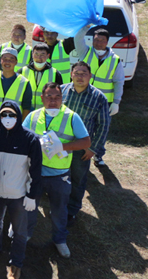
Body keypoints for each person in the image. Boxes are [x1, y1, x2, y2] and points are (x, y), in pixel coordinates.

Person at [23, 82, 92, 259]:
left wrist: (62, 146)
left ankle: (60, 239)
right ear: (42, 98)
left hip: (59, 175)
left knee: (59, 210)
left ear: (63, 98)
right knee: (30, 206)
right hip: (35, 174)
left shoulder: (71, 117)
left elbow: (85, 142)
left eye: (57, 97)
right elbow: (21, 136)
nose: (53, 101)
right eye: (49, 97)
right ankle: (26, 234)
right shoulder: (33, 116)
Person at [0, 101, 42, 279]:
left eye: (12, 115)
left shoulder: (30, 139)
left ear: (19, 116)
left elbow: (36, 170)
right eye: (4, 115)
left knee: (19, 230)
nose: (7, 119)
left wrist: (32, 195)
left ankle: (16, 263)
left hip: (19, 194)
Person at [61, 61, 110, 226]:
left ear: (90, 76)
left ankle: (71, 210)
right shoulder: (61, 91)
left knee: (77, 179)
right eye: (77, 73)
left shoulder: (99, 97)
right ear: (71, 74)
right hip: (60, 145)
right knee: (57, 176)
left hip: (82, 149)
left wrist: (93, 148)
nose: (80, 76)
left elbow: (103, 125)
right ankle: (57, 204)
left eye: (84, 73)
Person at [79, 28, 123, 144]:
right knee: (84, 128)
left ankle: (98, 155)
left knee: (101, 130)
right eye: (96, 40)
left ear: (107, 42)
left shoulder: (115, 60)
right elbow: (78, 38)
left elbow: (118, 82)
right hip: (85, 97)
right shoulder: (85, 52)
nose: (98, 43)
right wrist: (86, 26)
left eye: (102, 40)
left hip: (104, 102)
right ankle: (82, 150)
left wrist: (116, 102)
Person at [0, 47, 33, 117]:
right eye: (5, 59)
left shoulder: (24, 82)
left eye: (11, 59)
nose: (7, 62)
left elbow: (26, 107)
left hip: (14, 125)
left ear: (16, 62)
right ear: (1, 61)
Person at [19, 43, 63, 111]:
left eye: (42, 54)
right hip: (25, 112)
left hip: (46, 112)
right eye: (36, 54)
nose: (39, 58)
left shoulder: (55, 73)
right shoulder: (22, 71)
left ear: (48, 56)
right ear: (32, 55)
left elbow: (59, 96)